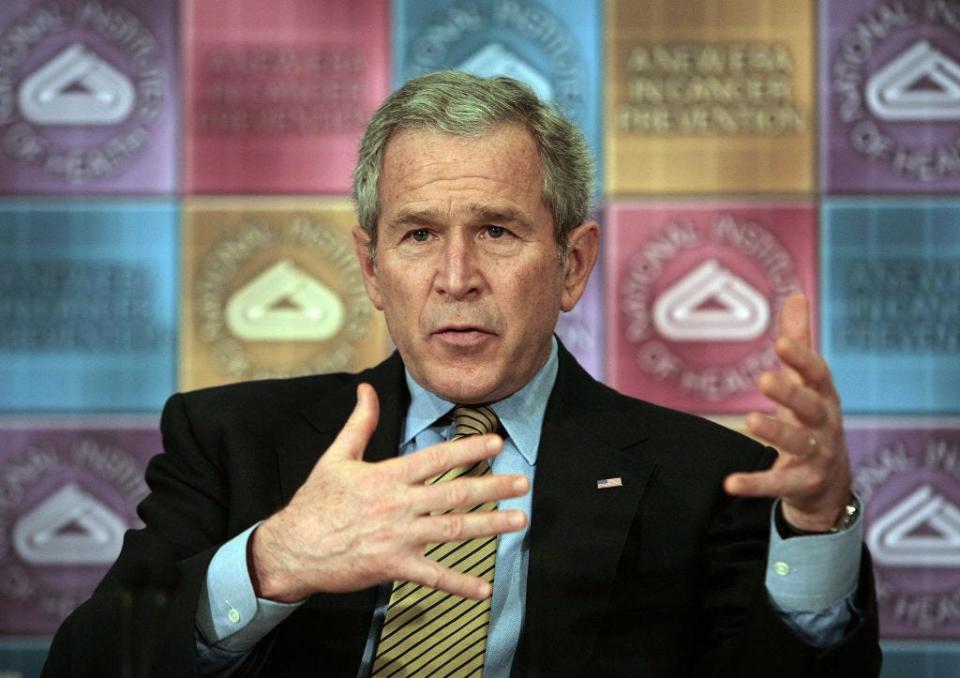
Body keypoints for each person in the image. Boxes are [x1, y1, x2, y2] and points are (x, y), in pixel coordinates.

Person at [44, 71, 880, 676]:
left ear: (573, 264)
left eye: (497, 231)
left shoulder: (700, 478)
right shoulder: (229, 440)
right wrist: (270, 562)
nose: (455, 277)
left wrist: (813, 525)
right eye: (417, 236)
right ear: (372, 270)